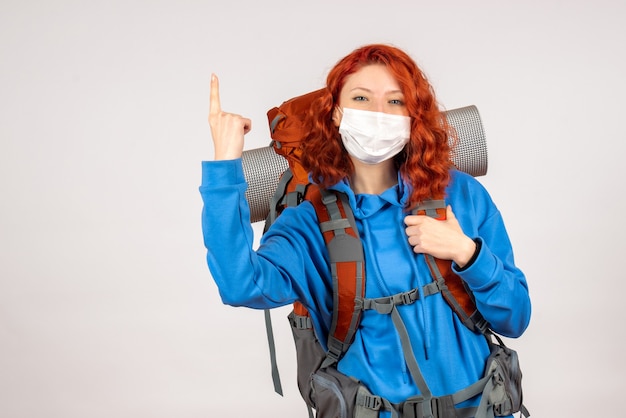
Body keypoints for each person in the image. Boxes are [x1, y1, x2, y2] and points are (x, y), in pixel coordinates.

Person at [200, 44, 531, 418]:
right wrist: (224, 166)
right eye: (361, 98)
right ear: (337, 113)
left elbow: (515, 318)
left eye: (395, 102)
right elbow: (239, 284)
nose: (378, 113)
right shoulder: (309, 225)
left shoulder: (461, 194)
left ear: (412, 115)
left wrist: (467, 254)